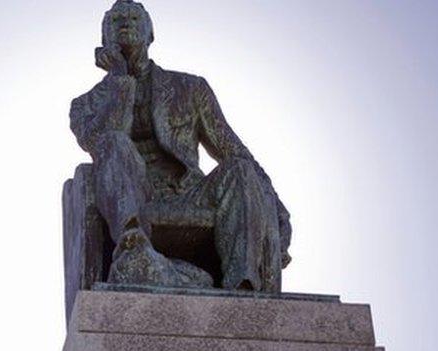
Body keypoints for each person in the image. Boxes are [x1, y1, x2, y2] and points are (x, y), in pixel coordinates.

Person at [69, 0, 291, 292]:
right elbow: (103, 145)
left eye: (134, 18)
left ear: (150, 33)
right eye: (115, 20)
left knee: (238, 169)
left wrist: (276, 206)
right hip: (134, 195)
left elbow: (232, 148)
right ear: (104, 40)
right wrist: (120, 81)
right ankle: (132, 244)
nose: (125, 22)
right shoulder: (85, 106)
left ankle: (243, 284)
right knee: (113, 140)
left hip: (189, 193)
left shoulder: (191, 88)